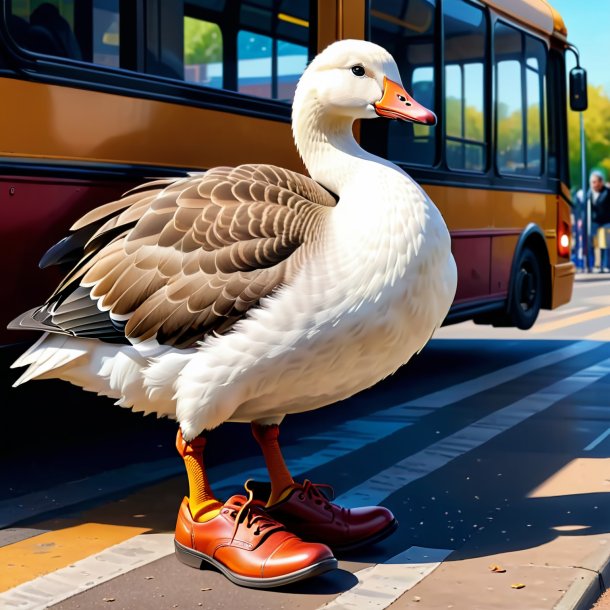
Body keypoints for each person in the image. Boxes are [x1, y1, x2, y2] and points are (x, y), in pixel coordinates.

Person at [588, 170, 610, 272]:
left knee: (605, 243)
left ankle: (606, 266)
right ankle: (595, 266)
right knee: (594, 244)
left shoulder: (607, 192)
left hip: (606, 221)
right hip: (594, 222)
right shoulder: (589, 193)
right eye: (592, 182)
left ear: (600, 182)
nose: (593, 185)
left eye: (595, 182)